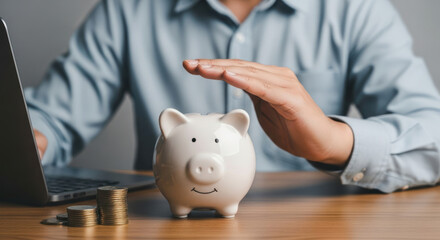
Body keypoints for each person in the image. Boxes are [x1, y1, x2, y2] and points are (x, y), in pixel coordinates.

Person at [26, 0, 440, 193]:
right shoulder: (127, 9)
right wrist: (30, 139)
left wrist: (333, 141)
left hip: (312, 223)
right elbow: (53, 118)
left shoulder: (356, 9)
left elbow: (433, 135)